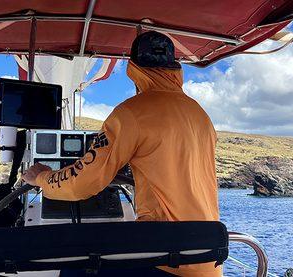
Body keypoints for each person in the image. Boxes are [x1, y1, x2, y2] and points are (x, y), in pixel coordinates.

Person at [22, 31, 221, 277]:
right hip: (208, 255)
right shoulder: (200, 114)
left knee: (74, 263)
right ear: (174, 66)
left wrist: (42, 178)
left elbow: (85, 182)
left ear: (134, 69)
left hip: (166, 256)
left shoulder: (132, 113)